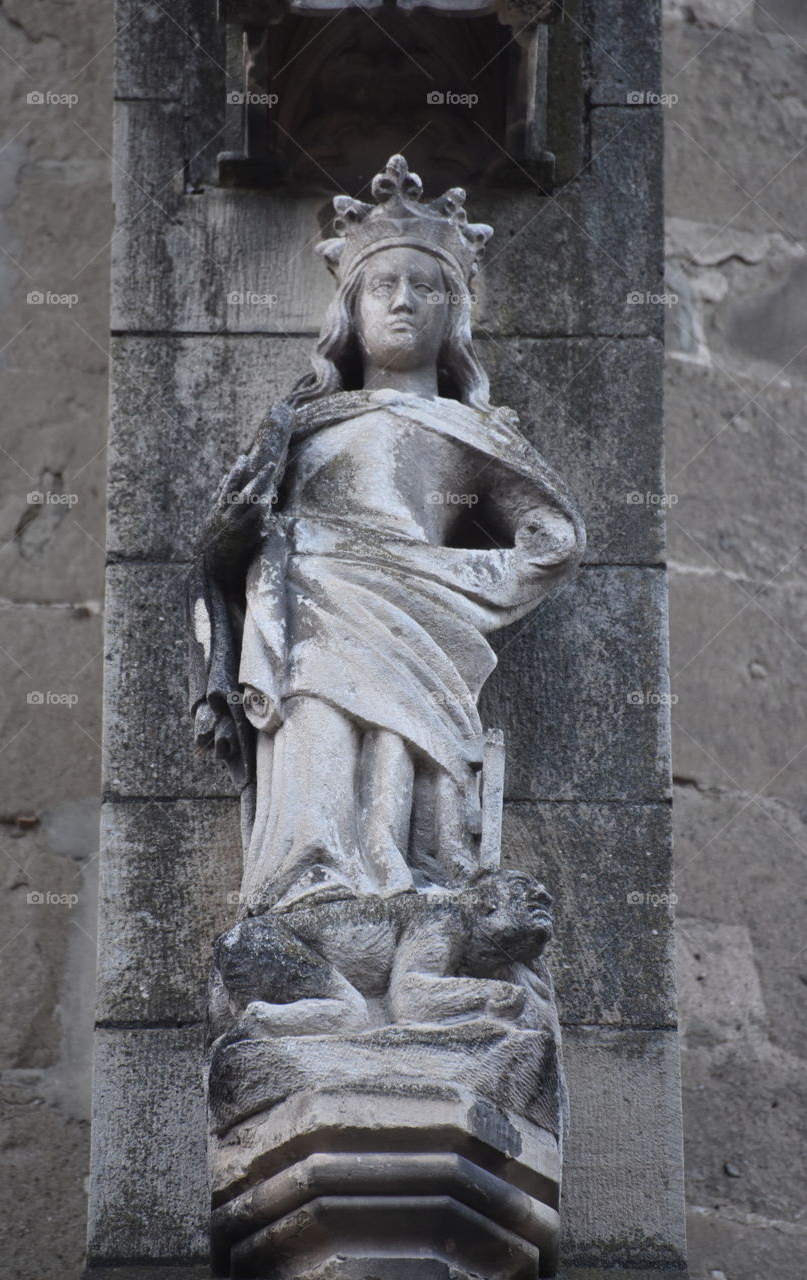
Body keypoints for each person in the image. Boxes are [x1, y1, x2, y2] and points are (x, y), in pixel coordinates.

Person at [188, 155, 584, 916]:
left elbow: (553, 540)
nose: (403, 301)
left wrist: (458, 582)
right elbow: (224, 546)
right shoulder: (303, 426)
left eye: (426, 287)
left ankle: (404, 881)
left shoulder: (470, 430)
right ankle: (309, 883)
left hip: (415, 613)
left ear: (453, 311)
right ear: (353, 308)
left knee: (408, 765)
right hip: (307, 604)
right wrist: (229, 540)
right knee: (316, 740)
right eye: (382, 286)